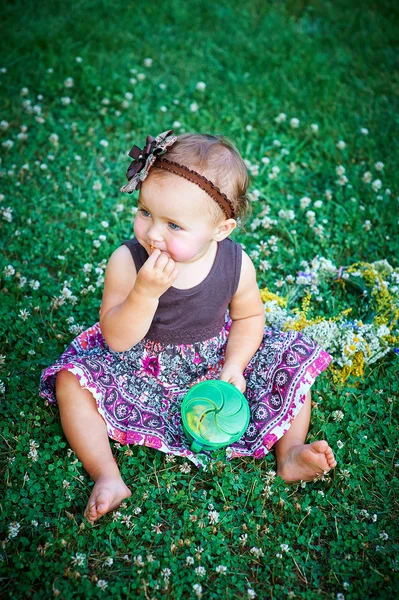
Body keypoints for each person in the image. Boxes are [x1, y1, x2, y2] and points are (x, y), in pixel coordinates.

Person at [39, 130, 337, 524]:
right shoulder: (127, 261)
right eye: (145, 212)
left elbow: (249, 318)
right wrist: (144, 293)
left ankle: (291, 453)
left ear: (221, 230)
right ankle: (108, 475)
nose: (152, 232)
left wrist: (234, 365)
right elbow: (116, 337)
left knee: (291, 358)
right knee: (71, 382)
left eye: (174, 225)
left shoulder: (235, 263)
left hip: (216, 359)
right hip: (140, 365)